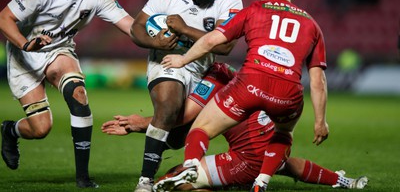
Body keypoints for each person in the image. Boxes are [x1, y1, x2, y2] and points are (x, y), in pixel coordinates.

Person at [157, 0, 329, 192]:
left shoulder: (254, 10)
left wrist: (183, 60)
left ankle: (191, 164)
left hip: (251, 84)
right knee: (284, 133)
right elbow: (318, 80)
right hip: (288, 95)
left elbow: (211, 41)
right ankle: (261, 182)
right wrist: (320, 121)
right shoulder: (312, 25)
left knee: (201, 129)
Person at [102, 63, 368, 190]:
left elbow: (183, 118)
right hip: (273, 144)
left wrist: (140, 124)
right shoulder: (233, 72)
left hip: (248, 158)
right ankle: (344, 181)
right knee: (282, 163)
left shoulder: (212, 77)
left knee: (175, 181)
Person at [0, 0, 134, 188]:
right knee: (41, 129)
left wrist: (158, 36)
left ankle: (82, 177)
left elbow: (130, 26)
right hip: (24, 54)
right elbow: (4, 18)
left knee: (78, 95)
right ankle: (10, 131)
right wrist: (25, 44)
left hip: (59, 51)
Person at [130, 0, 243, 192]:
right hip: (168, 61)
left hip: (203, 69)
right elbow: (136, 27)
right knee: (168, 107)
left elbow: (224, 46)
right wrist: (156, 42)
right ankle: (145, 181)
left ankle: (155, 135)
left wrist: (184, 29)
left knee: (176, 138)